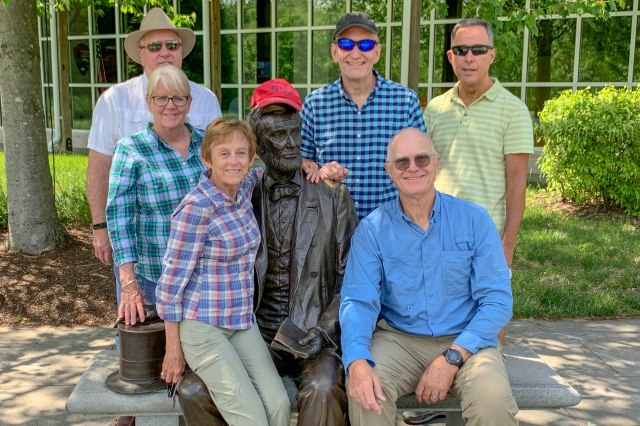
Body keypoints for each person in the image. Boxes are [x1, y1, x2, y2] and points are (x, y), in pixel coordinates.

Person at [176, 79, 358, 426]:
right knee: (194, 390)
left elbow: (353, 279)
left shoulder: (333, 196)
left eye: (294, 133)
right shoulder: (243, 191)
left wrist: (324, 331)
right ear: (257, 144)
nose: (290, 144)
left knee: (322, 388)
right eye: (278, 135)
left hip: (312, 332)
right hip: (254, 334)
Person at [339, 127, 518, 426]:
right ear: (389, 170)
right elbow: (357, 302)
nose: (413, 168)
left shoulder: (474, 220)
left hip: (468, 340)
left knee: (493, 401)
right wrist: (356, 360)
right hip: (399, 340)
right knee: (367, 393)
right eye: (402, 162)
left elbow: (497, 301)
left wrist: (452, 357)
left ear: (436, 162)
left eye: (422, 159)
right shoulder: (372, 230)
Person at [155, 118, 290, 426]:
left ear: (251, 157)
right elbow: (170, 286)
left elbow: (265, 173)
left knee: (279, 404)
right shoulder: (196, 208)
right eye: (224, 153)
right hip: (203, 327)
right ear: (208, 159)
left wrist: (311, 166)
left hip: (240, 320)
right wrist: (173, 349)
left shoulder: (242, 190)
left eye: (241, 153)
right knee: (251, 419)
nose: (233, 161)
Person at [87, 7, 222, 295]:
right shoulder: (114, 100)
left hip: (202, 258)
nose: (164, 52)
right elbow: (98, 167)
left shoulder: (206, 99)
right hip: (146, 256)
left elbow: (222, 170)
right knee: (140, 320)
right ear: (140, 53)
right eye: (155, 46)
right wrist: (100, 227)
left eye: (172, 45)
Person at [106, 66, 207, 404]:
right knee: (147, 369)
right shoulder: (131, 149)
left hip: (203, 279)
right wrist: (128, 282)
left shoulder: (208, 143)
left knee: (195, 368)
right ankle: (135, 415)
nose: (170, 105)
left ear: (189, 102)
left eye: (178, 98)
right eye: (161, 98)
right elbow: (119, 216)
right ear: (149, 102)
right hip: (153, 278)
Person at [423, 18, 533, 284]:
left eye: (478, 50)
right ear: (451, 57)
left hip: (486, 239)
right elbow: (423, 172)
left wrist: (507, 245)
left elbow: (517, 184)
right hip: (437, 234)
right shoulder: (435, 109)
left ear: (491, 55)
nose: (469, 58)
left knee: (488, 307)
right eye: (461, 50)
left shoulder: (514, 111)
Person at [300, 12, 426, 220]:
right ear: (334, 52)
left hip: (392, 225)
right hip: (332, 226)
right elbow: (303, 162)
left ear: (377, 52)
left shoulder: (405, 101)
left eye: (366, 44)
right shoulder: (315, 104)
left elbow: (422, 165)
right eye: (346, 44)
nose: (356, 53)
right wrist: (319, 171)